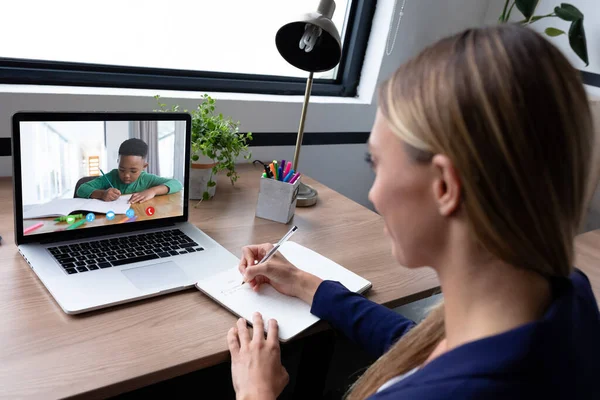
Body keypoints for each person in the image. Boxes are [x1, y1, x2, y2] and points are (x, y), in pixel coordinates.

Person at [226, 25, 600, 399]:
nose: (373, 192)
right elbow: (419, 347)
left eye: (377, 164)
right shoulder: (566, 293)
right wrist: (305, 283)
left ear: (444, 187)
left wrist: (255, 392)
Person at [76, 138, 182, 203]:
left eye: (133, 171)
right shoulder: (112, 176)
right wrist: (102, 194)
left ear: (144, 166)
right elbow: (81, 189)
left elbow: (177, 183)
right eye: (122, 169)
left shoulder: (147, 179)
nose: (126, 175)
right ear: (118, 162)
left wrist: (152, 191)